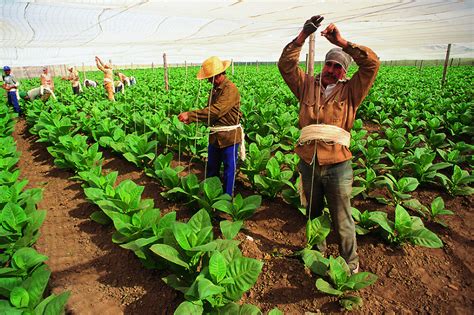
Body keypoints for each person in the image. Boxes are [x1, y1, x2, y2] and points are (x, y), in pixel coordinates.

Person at [278, 16, 380, 274]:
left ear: (344, 72)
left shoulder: (351, 90)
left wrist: (343, 43)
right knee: (313, 214)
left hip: (337, 164)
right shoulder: (306, 86)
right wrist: (303, 35)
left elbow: (371, 64)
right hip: (309, 161)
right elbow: (286, 66)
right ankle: (316, 255)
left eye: (338, 67)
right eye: (329, 64)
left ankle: (351, 264)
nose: (332, 70)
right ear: (324, 65)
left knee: (342, 217)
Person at [178, 56, 244, 196]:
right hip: (215, 136)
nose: (208, 80)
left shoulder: (230, 89)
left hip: (229, 137)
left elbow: (216, 111)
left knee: (229, 169)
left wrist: (191, 115)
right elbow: (210, 112)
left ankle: (227, 199)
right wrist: (193, 119)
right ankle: (210, 196)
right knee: (212, 168)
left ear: (218, 75)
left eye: (210, 77)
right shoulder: (215, 89)